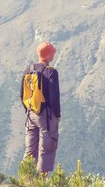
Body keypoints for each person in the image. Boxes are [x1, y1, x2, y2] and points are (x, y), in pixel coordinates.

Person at [20, 41, 61, 174]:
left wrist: (28, 110)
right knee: (46, 149)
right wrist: (57, 115)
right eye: (53, 53)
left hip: (31, 115)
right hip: (47, 117)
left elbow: (22, 94)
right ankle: (41, 181)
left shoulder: (28, 69)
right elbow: (54, 97)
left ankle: (26, 179)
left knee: (30, 149)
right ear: (49, 54)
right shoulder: (51, 72)